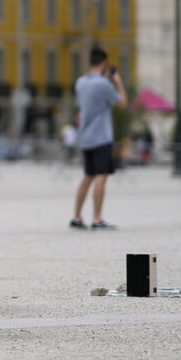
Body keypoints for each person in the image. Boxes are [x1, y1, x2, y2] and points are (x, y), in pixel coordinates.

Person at [71, 48, 127, 230]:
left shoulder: (80, 82)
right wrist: (117, 82)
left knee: (88, 176)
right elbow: (122, 103)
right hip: (101, 137)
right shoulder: (104, 85)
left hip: (85, 136)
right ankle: (97, 218)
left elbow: (87, 100)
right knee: (101, 176)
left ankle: (77, 216)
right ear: (104, 64)